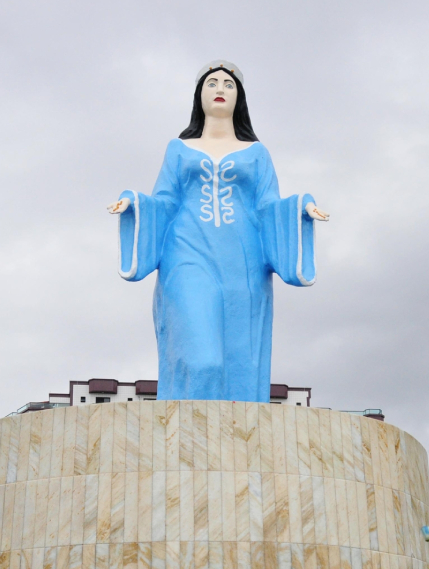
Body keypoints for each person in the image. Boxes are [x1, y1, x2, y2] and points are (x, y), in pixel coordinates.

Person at [107, 60, 329, 402]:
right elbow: (165, 200)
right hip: (186, 253)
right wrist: (134, 203)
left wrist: (300, 207)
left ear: (239, 97)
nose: (220, 89)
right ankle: (186, 446)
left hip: (243, 263)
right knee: (203, 361)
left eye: (228, 83)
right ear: (199, 96)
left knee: (236, 359)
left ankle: (231, 448)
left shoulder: (257, 153)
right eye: (212, 83)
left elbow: (269, 205)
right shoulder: (179, 149)